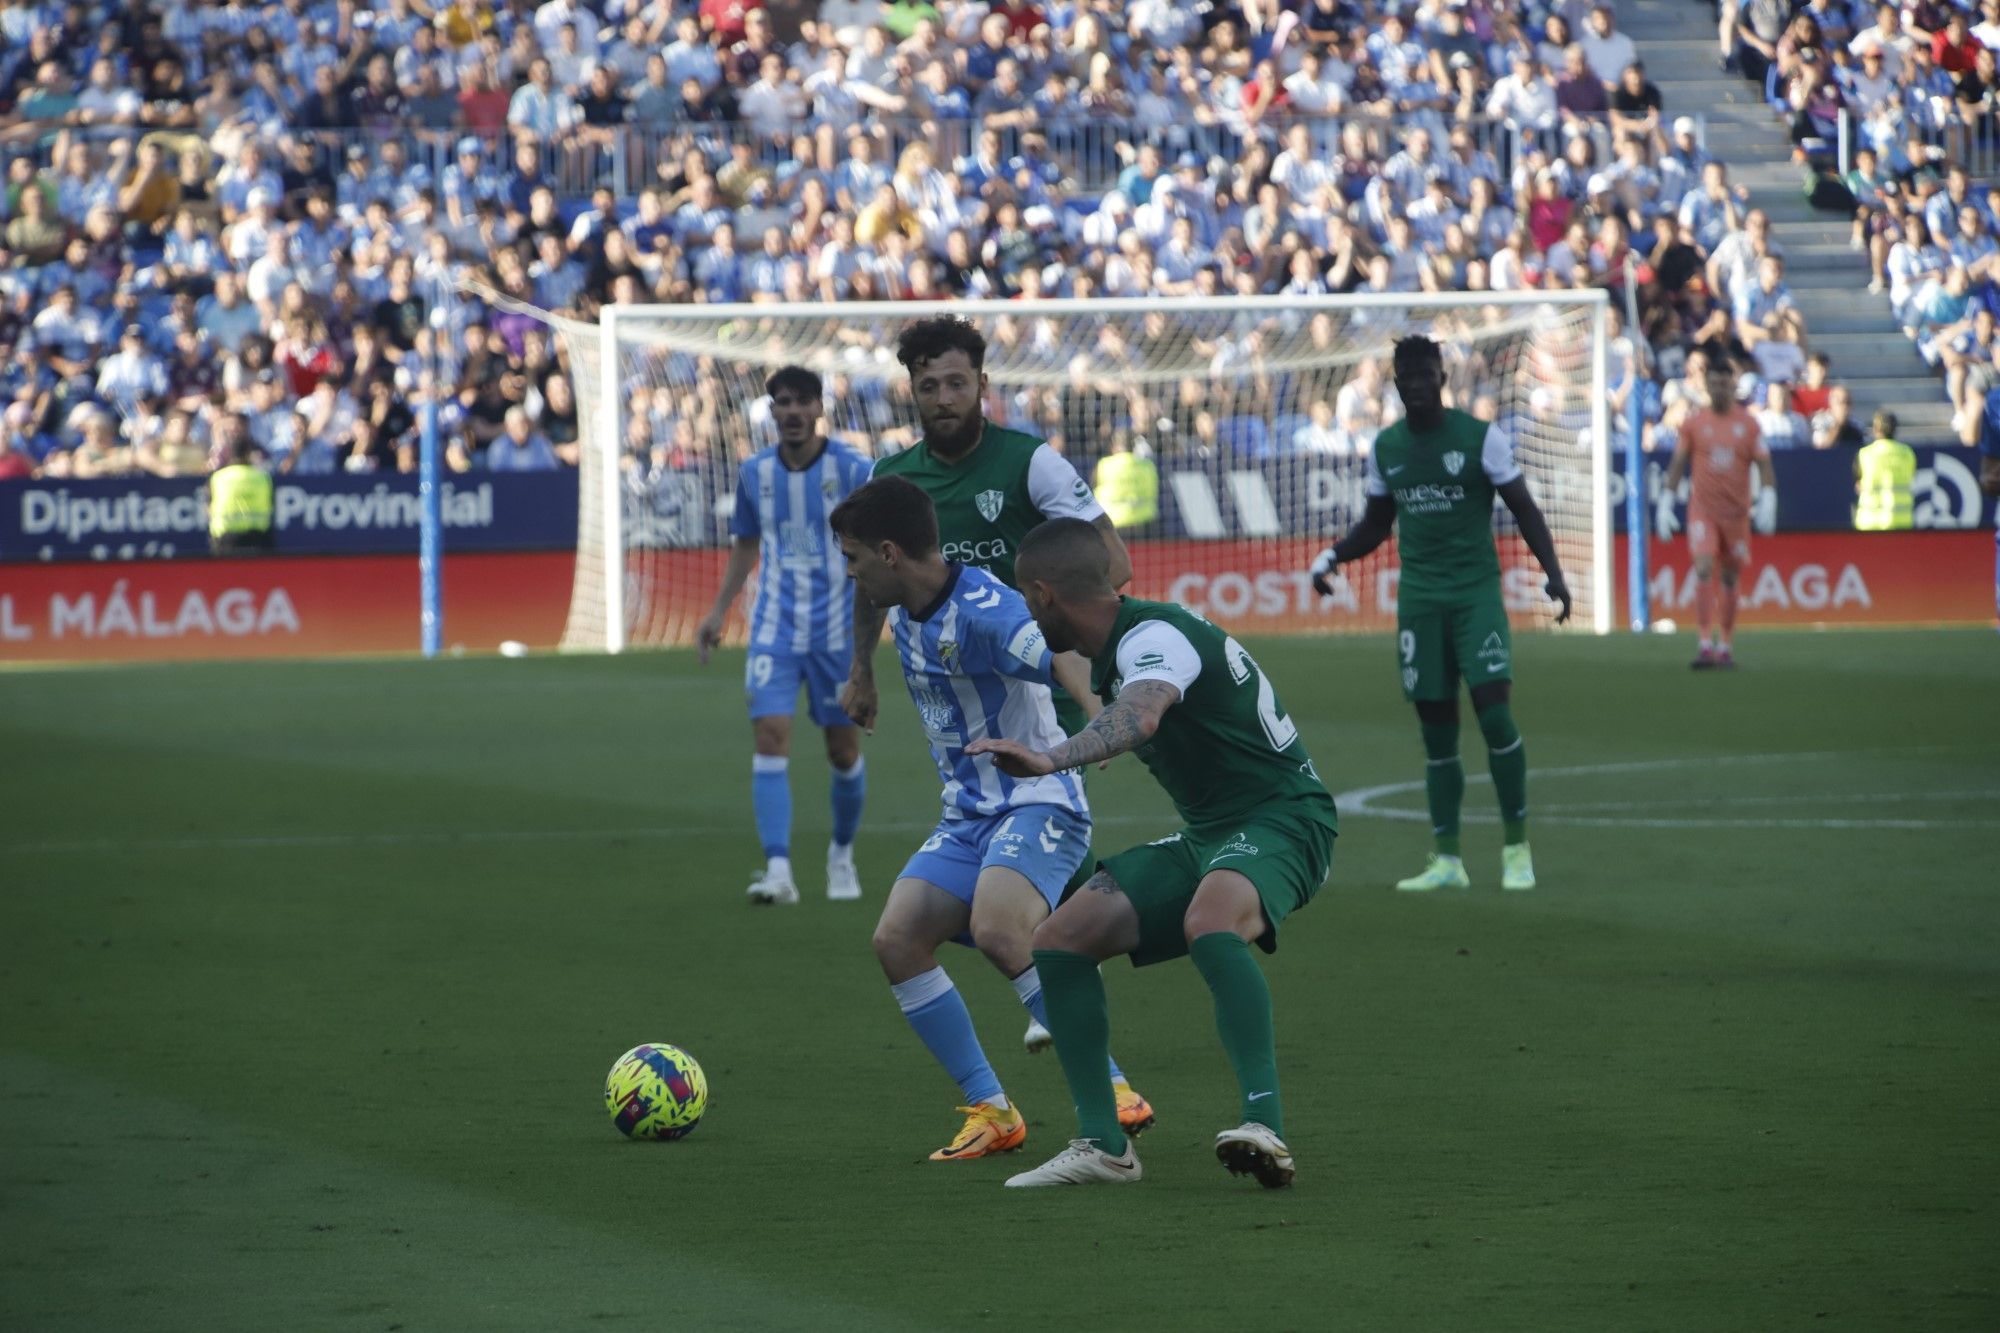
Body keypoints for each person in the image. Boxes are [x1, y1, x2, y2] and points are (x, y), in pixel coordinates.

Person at [962, 518, 1336, 1189]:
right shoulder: (1119, 640)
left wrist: (1051, 757)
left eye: (1025, 595)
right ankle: (1104, 1145)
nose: (1024, 607)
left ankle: (1266, 1126)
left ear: (1045, 594)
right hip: (1209, 835)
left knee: (1210, 920)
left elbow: (1142, 713)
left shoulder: (1155, 637)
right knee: (1060, 940)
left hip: (1284, 821)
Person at [827, 478, 1154, 1162]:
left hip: (1040, 801)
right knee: (897, 939)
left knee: (999, 928)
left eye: (854, 558)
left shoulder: (983, 608)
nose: (850, 572)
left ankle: (1113, 1086)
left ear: (889, 553)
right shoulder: (905, 604)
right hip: (970, 814)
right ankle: (993, 1110)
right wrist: (863, 671)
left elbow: (1060, 648)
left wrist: (1100, 720)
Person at [842, 314, 1133, 1052]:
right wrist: (861, 671)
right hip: (961, 691)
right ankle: (1062, 977)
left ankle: (1065, 995)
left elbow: (1113, 561)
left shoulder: (1031, 465)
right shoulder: (894, 480)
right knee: (1019, 879)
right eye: (928, 384)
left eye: (957, 383)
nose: (943, 397)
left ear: (983, 387)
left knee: (1028, 865)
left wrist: (1099, 685)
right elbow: (871, 586)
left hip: (1050, 678)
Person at [1308, 336, 1571, 893]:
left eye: (1427, 373)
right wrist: (1334, 555)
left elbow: (1524, 508)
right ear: (1398, 383)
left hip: (1476, 598)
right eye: (1408, 376)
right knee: (1436, 732)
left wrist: (1553, 572)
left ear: (1441, 377)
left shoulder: (1480, 439)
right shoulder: (1387, 447)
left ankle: (1516, 848)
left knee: (1495, 715)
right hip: (1421, 603)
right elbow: (1377, 523)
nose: (1418, 384)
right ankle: (1448, 858)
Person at [697, 367, 874, 905]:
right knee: (770, 740)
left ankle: (841, 855)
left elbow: (874, 543)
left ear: (819, 408)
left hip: (837, 633)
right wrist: (718, 611)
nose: (792, 411)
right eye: (782, 403)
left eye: (802, 402)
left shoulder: (852, 469)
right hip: (773, 628)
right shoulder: (753, 474)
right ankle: (778, 870)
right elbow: (747, 546)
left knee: (842, 751)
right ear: (771, 412)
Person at [1663, 349, 1778, 669]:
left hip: (1737, 515)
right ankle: (1703, 644)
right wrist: (1666, 502)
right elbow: (1677, 464)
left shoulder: (1749, 425)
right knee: (1702, 569)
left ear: (1733, 386)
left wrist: (1768, 498)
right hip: (1704, 512)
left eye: (1724, 384)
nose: (1719, 389)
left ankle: (1725, 646)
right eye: (1713, 384)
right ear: (1706, 386)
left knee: (1729, 577)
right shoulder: (1694, 423)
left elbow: (1765, 465)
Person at [207, 434, 273, 553]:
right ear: (249, 453)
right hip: (257, 538)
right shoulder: (263, 477)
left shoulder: (218, 478)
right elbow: (271, 504)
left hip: (225, 539)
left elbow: (208, 507)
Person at [1853, 410, 1916, 530]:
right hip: (1901, 522)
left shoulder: (1864, 454)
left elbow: (1858, 485)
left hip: (1869, 523)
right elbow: (1911, 477)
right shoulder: (1908, 453)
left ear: (1875, 429)